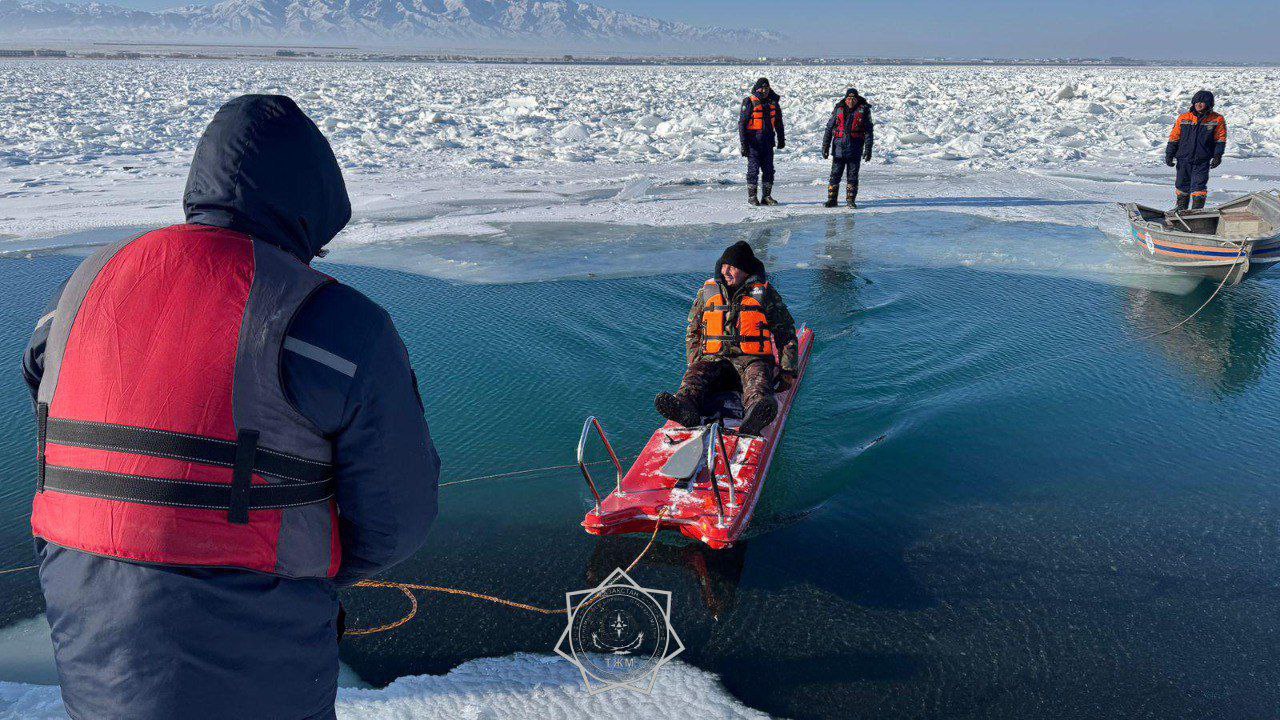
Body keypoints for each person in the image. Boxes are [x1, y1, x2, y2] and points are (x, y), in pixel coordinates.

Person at [22, 94, 440, 720]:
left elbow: (39, 373)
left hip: (89, 617)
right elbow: (396, 519)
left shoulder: (89, 284)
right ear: (310, 207)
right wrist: (297, 558)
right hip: (258, 637)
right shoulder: (337, 324)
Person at [654, 241, 798, 436]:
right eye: (724, 265)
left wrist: (787, 370)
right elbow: (693, 331)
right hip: (716, 360)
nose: (726, 271)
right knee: (695, 378)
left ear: (746, 271)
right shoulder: (707, 292)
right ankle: (685, 407)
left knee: (758, 383)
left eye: (732, 267)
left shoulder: (765, 294)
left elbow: (786, 332)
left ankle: (756, 415)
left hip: (751, 361)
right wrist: (694, 362)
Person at [1165, 89, 1227, 211]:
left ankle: (1196, 213)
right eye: (1197, 101)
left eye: (1203, 102)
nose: (1199, 104)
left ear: (1209, 104)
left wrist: (1217, 156)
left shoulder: (1216, 119)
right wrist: (1169, 154)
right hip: (1183, 159)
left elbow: (1220, 139)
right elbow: (1174, 137)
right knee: (1182, 185)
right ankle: (1181, 210)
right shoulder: (1184, 118)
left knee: (1198, 187)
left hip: (1202, 160)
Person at [822, 87, 874, 208]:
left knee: (852, 175)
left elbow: (868, 132)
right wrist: (825, 145)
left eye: (853, 99)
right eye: (849, 98)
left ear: (857, 99)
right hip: (839, 148)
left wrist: (868, 149)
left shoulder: (864, 110)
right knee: (835, 174)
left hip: (855, 148)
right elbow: (829, 128)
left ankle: (850, 200)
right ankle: (832, 199)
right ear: (845, 99)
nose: (851, 101)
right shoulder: (838, 109)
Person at [738, 77, 786, 207]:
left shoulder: (773, 103)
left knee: (769, 170)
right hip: (753, 144)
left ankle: (766, 196)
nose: (764, 90)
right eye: (762, 88)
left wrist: (781, 139)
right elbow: (742, 124)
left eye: (767, 88)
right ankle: (752, 197)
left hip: (768, 143)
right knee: (753, 170)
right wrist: (744, 144)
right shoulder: (749, 101)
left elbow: (778, 123)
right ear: (757, 88)